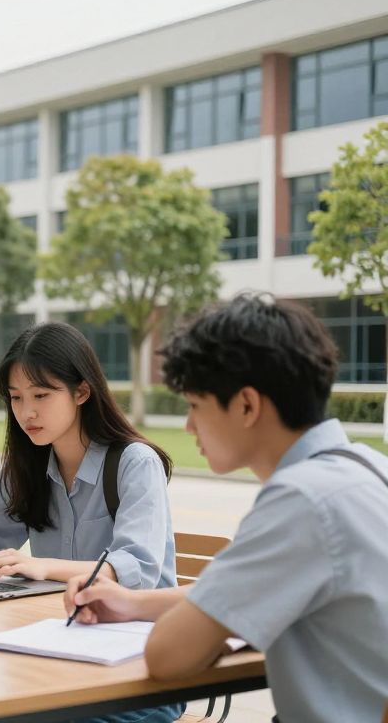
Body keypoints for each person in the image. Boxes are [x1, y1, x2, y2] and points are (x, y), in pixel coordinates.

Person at [63, 294, 388, 723]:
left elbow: (167, 656)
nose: (189, 425)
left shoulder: (299, 502)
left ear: (247, 405)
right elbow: (234, 595)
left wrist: (214, 626)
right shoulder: (368, 469)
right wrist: (131, 603)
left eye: (196, 406)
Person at [0, 321, 182, 723]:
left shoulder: (134, 463)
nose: (26, 412)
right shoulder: (28, 465)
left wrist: (42, 566)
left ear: (82, 391)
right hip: (59, 653)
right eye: (16, 398)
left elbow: (137, 569)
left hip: (142, 670)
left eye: (41, 395)